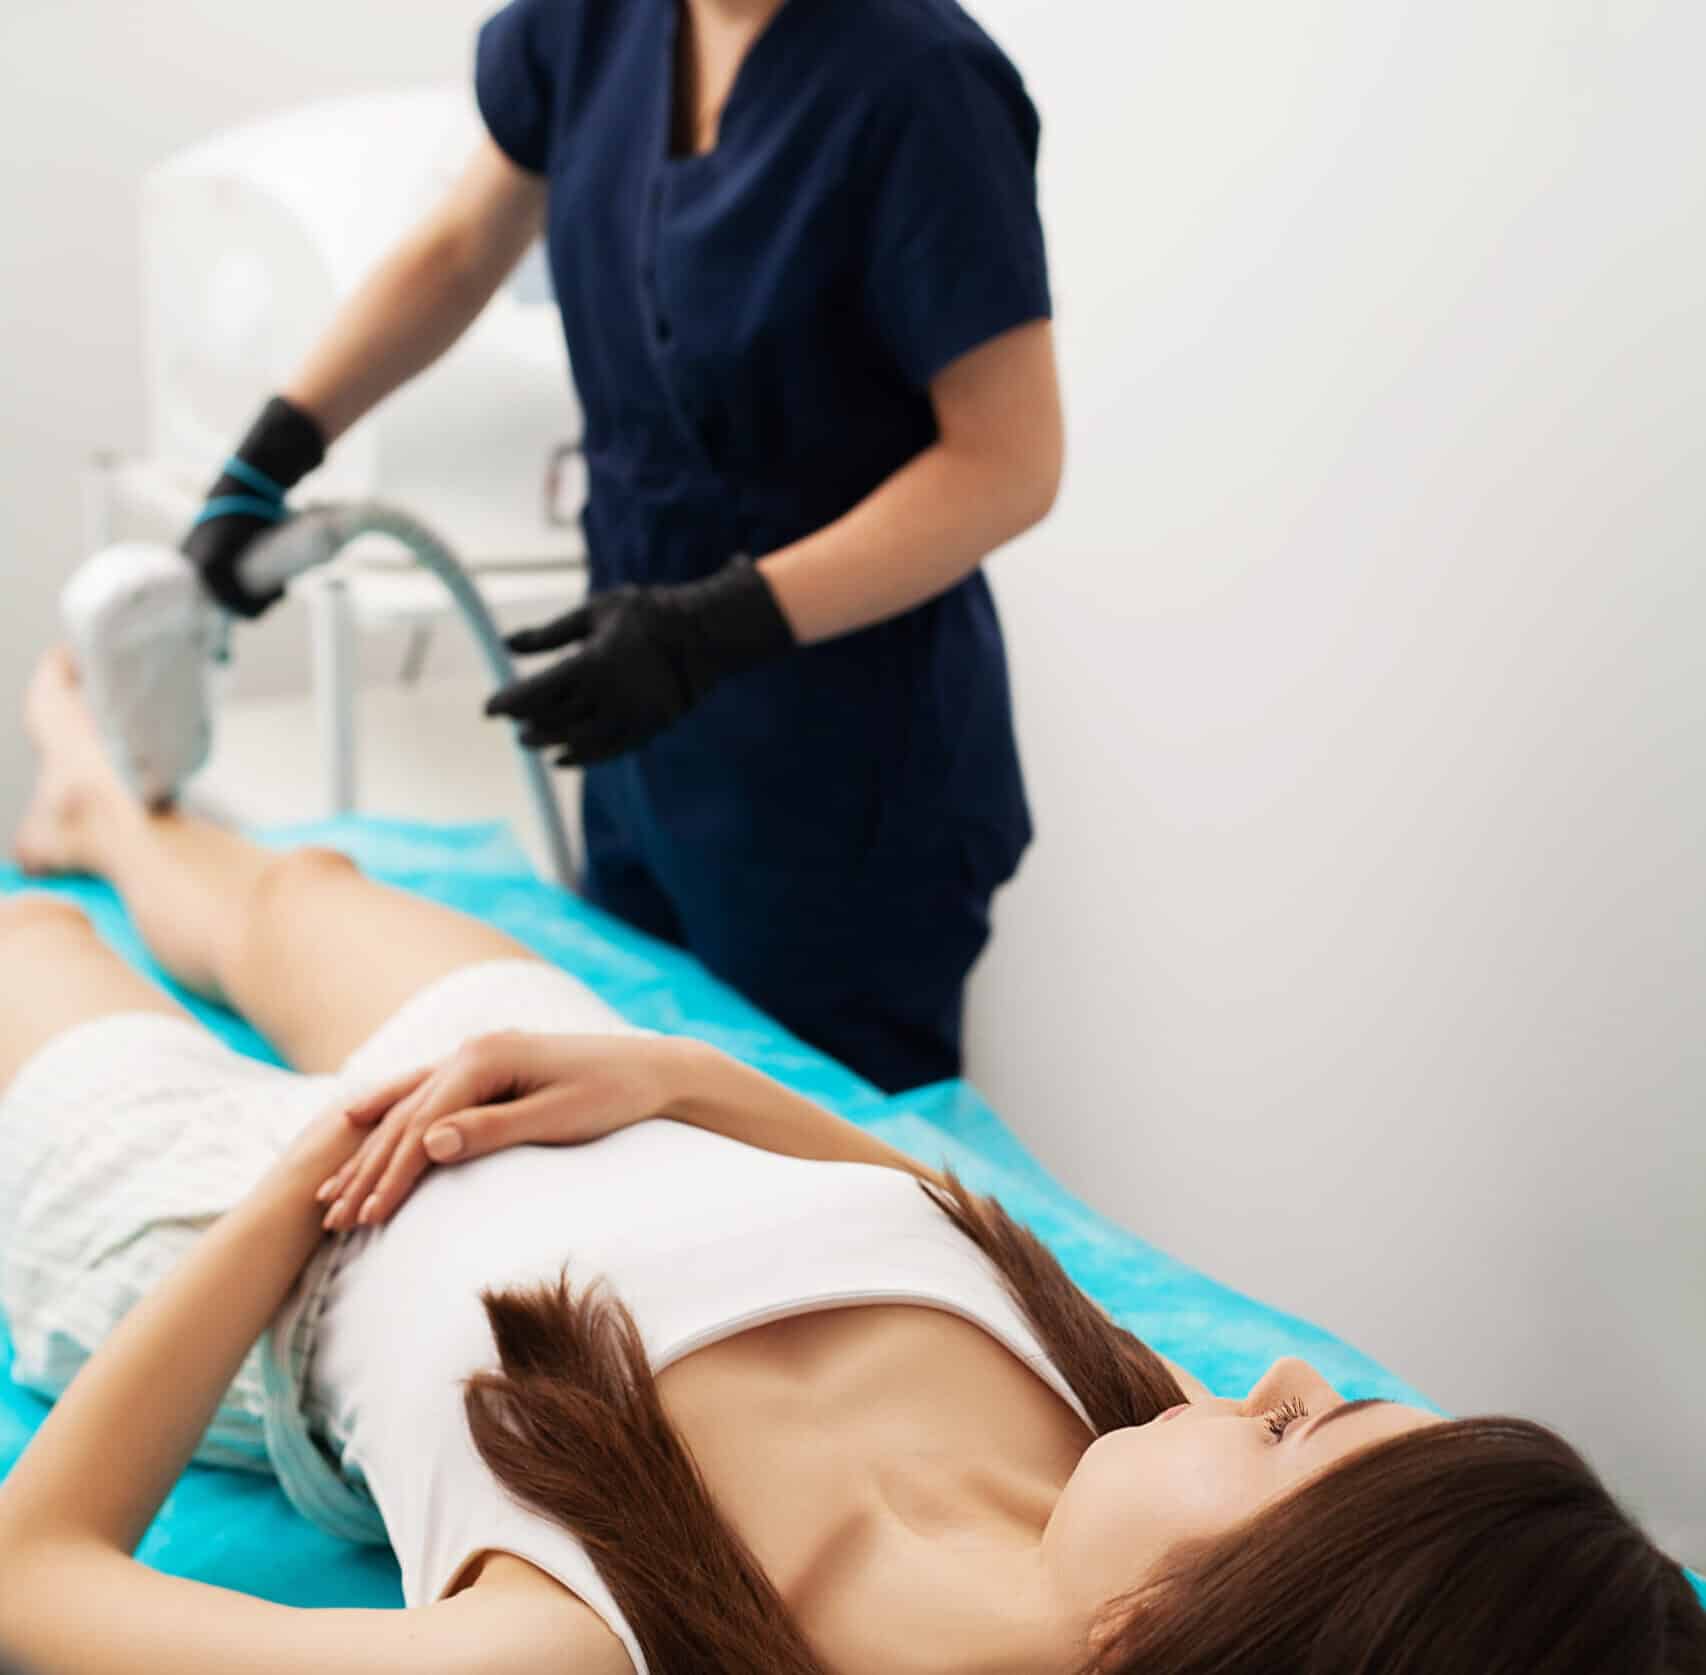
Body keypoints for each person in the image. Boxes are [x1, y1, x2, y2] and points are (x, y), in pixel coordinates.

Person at [2, 648, 1702, 1675]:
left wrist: (294, 1190)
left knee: (29, 955)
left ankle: (66, 865)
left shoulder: (595, 1641)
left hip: (268, 1235)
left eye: (1290, 1429)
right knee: (297, 897)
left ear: (1165, 1643)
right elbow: (926, 1220)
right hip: (564, 1084)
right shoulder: (1129, 1440)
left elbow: (34, 1582)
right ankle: (97, 810)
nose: (1265, 1376)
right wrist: (669, 1073)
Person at [178, 0, 1067, 1094]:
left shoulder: (920, 82)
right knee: (637, 1137)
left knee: (811, 1175)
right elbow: (461, 250)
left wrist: (715, 627)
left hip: (843, 776)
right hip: (643, 728)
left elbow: (1008, 463)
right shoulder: (593, 24)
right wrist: (273, 450)